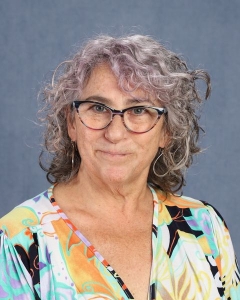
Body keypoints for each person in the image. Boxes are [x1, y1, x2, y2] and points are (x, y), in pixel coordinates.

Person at [0, 35, 239, 300]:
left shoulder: (205, 227)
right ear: (71, 123)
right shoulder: (17, 242)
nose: (115, 134)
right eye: (98, 107)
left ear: (166, 133)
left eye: (138, 110)